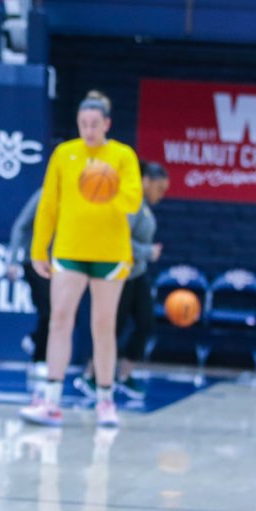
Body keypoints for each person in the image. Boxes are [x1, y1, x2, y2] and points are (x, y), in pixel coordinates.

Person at [19, 90, 142, 430]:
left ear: (107, 124)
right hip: (69, 250)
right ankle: (51, 400)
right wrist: (38, 250)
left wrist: (109, 186)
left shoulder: (122, 156)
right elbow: (49, 205)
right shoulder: (65, 153)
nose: (88, 130)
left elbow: (134, 202)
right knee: (60, 320)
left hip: (111, 253)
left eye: (95, 124)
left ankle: (105, 400)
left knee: (103, 327)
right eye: (83, 124)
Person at [75, 161, 170, 400]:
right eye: (159, 188)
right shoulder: (133, 203)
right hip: (121, 274)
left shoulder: (143, 205)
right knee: (111, 327)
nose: (162, 194)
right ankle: (90, 374)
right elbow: (120, 237)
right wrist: (148, 252)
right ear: (146, 181)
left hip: (137, 274)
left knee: (146, 324)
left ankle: (125, 376)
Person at [6, 187, 50, 372]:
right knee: (48, 311)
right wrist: (13, 260)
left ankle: (34, 339)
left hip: (60, 264)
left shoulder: (80, 195)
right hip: (34, 261)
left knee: (60, 313)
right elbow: (21, 225)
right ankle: (39, 360)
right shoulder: (44, 195)